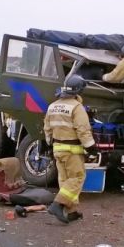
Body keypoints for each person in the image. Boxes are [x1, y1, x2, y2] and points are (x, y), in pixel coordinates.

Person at [44, 75, 97, 224]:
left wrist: (49, 143)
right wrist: (91, 147)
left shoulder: (52, 106)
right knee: (77, 178)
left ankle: (71, 211)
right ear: (79, 91)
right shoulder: (76, 107)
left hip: (57, 149)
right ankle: (57, 204)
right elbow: (83, 130)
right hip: (72, 150)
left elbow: (47, 129)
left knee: (65, 180)